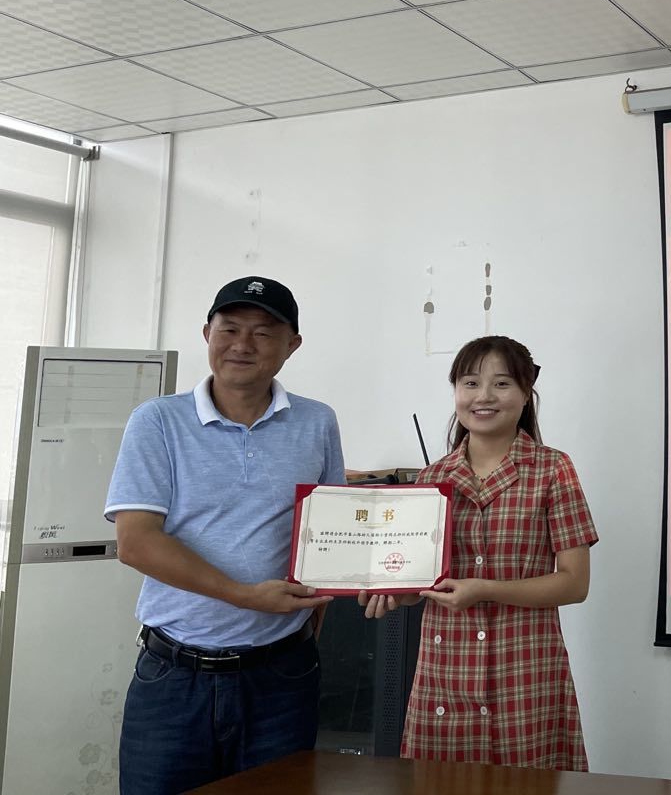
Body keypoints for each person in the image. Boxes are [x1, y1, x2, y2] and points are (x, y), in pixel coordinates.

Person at [104, 277, 346, 794]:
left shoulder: (317, 422)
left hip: (282, 677)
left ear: (292, 345)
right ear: (206, 334)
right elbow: (136, 542)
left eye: (263, 332)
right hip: (174, 676)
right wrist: (244, 595)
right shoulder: (157, 421)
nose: (242, 344)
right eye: (229, 329)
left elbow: (330, 534)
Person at [359, 335, 597, 768]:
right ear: (455, 391)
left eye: (501, 384)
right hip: (445, 673)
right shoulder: (432, 478)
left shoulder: (553, 469)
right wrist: (394, 591)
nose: (483, 396)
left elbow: (574, 583)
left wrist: (486, 589)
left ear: (526, 393)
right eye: (470, 383)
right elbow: (420, 583)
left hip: (525, 672)